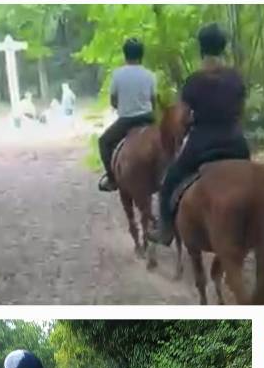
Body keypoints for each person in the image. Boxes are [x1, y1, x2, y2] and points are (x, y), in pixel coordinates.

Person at [148, 22, 250, 245]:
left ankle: (165, 230)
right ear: (224, 48)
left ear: (201, 49)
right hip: (236, 144)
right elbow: (240, 114)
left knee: (169, 182)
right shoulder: (236, 78)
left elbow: (181, 120)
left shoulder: (193, 82)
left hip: (202, 145)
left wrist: (189, 123)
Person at [98, 38, 157, 192]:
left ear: (125, 55)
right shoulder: (150, 75)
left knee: (103, 142)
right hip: (148, 118)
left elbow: (113, 100)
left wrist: (121, 107)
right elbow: (153, 100)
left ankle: (112, 179)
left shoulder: (118, 75)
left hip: (126, 121)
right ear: (141, 55)